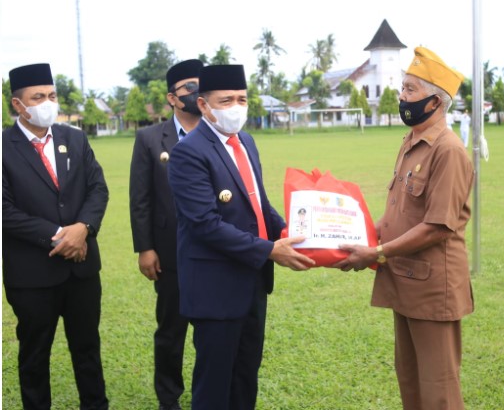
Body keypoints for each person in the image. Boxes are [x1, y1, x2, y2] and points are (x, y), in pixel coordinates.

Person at [166, 64, 315, 410]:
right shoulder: (189, 152)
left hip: (252, 281)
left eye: (242, 99)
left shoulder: (245, 141)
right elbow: (205, 223)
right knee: (214, 383)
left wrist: (294, 233)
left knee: (246, 373)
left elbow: (259, 204)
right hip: (215, 285)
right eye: (226, 100)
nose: (236, 107)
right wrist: (269, 250)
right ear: (203, 105)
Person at [335, 47, 475, 410]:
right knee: (411, 383)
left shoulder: (448, 151)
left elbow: (437, 227)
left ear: (435, 102)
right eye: (402, 88)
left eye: (410, 90)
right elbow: (396, 216)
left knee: (439, 390)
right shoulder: (412, 143)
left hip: (432, 288)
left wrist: (376, 253)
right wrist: (357, 235)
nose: (401, 97)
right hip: (406, 279)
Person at [2, 63, 110, 409]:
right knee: (35, 354)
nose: (48, 102)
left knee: (87, 348)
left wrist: (84, 228)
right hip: (33, 273)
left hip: (82, 270)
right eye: (38, 97)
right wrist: (60, 236)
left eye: (51, 95)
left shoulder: (74, 138)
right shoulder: (3, 146)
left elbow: (98, 189)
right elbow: (4, 211)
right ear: (18, 104)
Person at [129, 59, 203, 410]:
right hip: (171, 252)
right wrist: (145, 248)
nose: (196, 92)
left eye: (200, 85)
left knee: (211, 331)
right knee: (171, 331)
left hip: (215, 252)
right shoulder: (148, 138)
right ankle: (168, 398)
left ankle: (207, 392)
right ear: (172, 98)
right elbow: (140, 197)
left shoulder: (218, 133)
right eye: (189, 87)